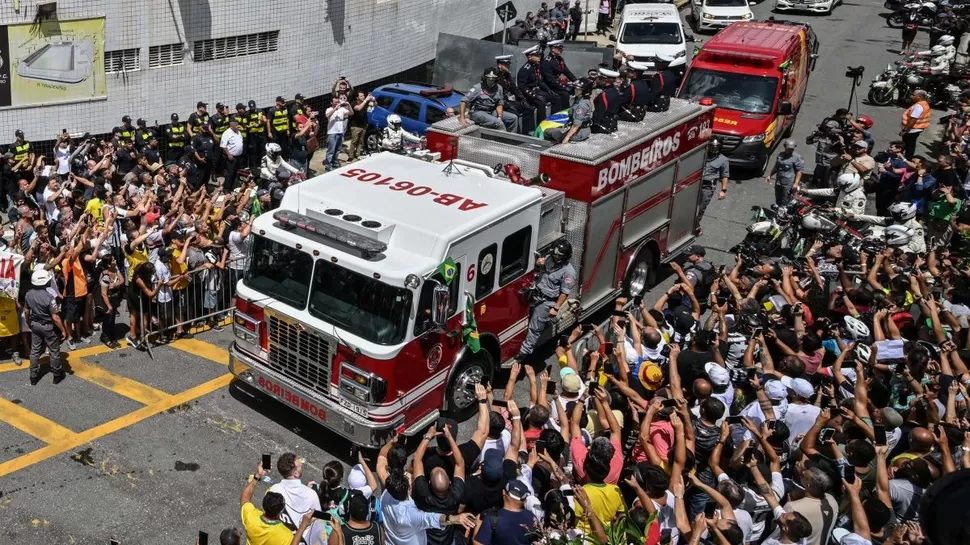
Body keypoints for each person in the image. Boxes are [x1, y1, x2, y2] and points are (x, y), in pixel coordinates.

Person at [515, 239, 576, 362]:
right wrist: (538, 263)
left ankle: (524, 352)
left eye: (557, 256)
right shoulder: (549, 257)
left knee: (535, 327)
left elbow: (564, 293)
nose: (554, 257)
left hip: (547, 302)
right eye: (553, 254)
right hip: (535, 294)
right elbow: (540, 268)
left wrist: (555, 308)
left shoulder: (569, 272)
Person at [25, 268, 66, 386]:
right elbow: (55, 317)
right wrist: (63, 330)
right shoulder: (49, 297)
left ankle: (33, 376)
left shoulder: (28, 294)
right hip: (48, 326)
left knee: (35, 350)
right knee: (54, 350)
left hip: (35, 325)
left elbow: (26, 311)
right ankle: (57, 374)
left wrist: (28, 323)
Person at [240, 459, 293, 545]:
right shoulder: (286, 535)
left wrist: (258, 475)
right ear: (281, 511)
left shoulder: (251, 518)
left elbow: (245, 498)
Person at [472, 479, 538, 545]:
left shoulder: (492, 518)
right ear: (525, 501)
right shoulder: (533, 518)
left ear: (503, 492)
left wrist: (477, 526)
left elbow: (478, 543)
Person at [459, 68, 518, 133]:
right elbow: (463, 101)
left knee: (513, 118)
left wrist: (499, 117)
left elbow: (499, 104)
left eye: (493, 78)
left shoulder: (499, 88)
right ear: (485, 78)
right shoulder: (477, 88)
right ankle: (503, 140)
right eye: (489, 78)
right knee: (499, 123)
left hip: (491, 111)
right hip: (478, 112)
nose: (491, 80)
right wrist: (462, 118)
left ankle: (511, 140)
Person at [543, 78, 593, 144]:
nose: (576, 90)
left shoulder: (581, 105)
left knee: (547, 132)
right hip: (581, 130)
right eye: (576, 89)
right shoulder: (582, 100)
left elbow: (576, 125)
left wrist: (567, 138)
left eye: (578, 89)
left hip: (579, 132)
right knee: (556, 129)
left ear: (585, 91)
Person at [495, 55, 533, 135]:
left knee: (528, 108)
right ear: (499, 65)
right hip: (501, 103)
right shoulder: (495, 76)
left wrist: (522, 99)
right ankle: (516, 134)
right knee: (514, 114)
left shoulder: (507, 75)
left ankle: (526, 132)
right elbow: (496, 94)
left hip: (508, 101)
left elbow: (514, 88)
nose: (508, 66)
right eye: (506, 64)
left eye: (508, 64)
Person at [517, 46, 552, 130]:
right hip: (527, 95)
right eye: (536, 55)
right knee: (541, 102)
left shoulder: (535, 67)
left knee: (555, 97)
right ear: (529, 57)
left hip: (537, 91)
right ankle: (541, 127)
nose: (538, 57)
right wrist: (534, 96)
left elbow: (539, 81)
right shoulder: (525, 70)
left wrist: (548, 90)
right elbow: (522, 87)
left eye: (538, 55)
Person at [697, 139, 730, 229]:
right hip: (696, 184)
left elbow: (725, 176)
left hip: (707, 187)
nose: (713, 149)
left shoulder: (723, 160)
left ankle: (696, 224)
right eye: (712, 147)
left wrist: (723, 190)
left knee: (701, 207)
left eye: (716, 147)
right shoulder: (702, 154)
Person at [765, 139, 804, 207]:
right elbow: (776, 166)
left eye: (792, 149)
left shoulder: (797, 158)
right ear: (784, 146)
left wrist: (796, 183)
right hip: (779, 181)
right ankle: (778, 213)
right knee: (778, 199)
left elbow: (799, 171)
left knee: (785, 201)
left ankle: (783, 215)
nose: (790, 151)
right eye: (788, 149)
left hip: (788, 184)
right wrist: (770, 175)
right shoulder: (781, 155)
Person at [540, 40, 576, 113]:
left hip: (556, 84)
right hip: (549, 86)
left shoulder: (559, 59)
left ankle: (567, 114)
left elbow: (566, 71)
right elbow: (550, 79)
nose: (561, 50)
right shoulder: (547, 62)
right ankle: (562, 114)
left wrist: (575, 81)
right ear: (553, 49)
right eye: (559, 48)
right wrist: (562, 87)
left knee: (571, 90)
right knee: (564, 94)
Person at [900, 90, 931, 159]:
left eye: (914, 95)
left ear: (919, 97)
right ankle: (904, 157)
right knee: (909, 144)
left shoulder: (918, 106)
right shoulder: (924, 103)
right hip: (916, 128)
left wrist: (905, 130)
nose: (912, 96)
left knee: (908, 145)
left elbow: (913, 119)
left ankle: (907, 158)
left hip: (912, 130)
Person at [590, 68, 623, 134]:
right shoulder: (615, 91)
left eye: (600, 78)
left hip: (603, 126)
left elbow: (599, 114)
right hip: (613, 124)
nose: (598, 80)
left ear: (606, 80)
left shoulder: (604, 95)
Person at [324, 95, 351, 172]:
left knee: (337, 149)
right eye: (335, 102)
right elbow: (327, 115)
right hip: (332, 133)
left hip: (340, 132)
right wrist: (335, 108)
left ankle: (334, 162)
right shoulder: (329, 109)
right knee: (331, 150)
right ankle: (328, 165)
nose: (337, 103)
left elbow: (351, 113)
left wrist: (348, 105)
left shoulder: (342, 109)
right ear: (331, 102)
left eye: (337, 102)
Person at [347, 91, 374, 162]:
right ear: (357, 97)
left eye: (363, 96)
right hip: (355, 126)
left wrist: (373, 100)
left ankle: (358, 154)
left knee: (361, 141)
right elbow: (358, 108)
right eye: (361, 96)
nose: (363, 97)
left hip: (364, 125)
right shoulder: (354, 103)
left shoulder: (366, 102)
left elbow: (375, 105)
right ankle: (351, 156)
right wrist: (365, 101)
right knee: (354, 141)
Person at [220, 119, 245, 190]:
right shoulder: (226, 133)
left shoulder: (238, 132)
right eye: (236, 124)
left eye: (238, 124)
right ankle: (226, 188)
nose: (238, 126)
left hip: (239, 156)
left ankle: (232, 186)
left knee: (235, 172)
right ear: (231, 125)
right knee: (229, 173)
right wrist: (229, 155)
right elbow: (223, 146)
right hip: (231, 157)